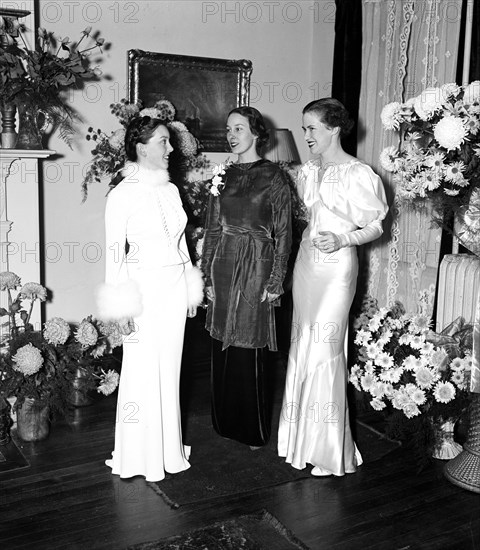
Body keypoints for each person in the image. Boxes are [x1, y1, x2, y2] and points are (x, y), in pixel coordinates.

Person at [278, 98, 388, 476]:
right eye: (304, 127)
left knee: (326, 348)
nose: (305, 135)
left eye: (312, 128)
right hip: (307, 266)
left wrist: (343, 241)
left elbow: (376, 226)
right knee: (303, 343)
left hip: (338, 268)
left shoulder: (360, 173)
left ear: (334, 129)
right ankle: (299, 439)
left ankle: (327, 449)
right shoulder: (307, 171)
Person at [96, 114, 204, 482]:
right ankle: (138, 454)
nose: (170, 148)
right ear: (142, 148)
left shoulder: (171, 190)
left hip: (174, 288)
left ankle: (166, 450)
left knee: (169, 369)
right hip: (143, 289)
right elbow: (114, 253)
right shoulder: (121, 194)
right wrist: (121, 306)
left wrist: (192, 288)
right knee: (141, 369)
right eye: (163, 141)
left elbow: (181, 243)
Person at [202, 106, 292, 449]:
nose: (231, 135)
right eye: (228, 129)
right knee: (221, 342)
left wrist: (276, 278)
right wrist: (205, 274)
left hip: (257, 262)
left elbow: (284, 233)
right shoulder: (221, 174)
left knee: (248, 343)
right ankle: (224, 421)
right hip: (223, 263)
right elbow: (212, 229)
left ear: (256, 132)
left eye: (238, 129)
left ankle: (252, 430)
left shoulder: (274, 177)